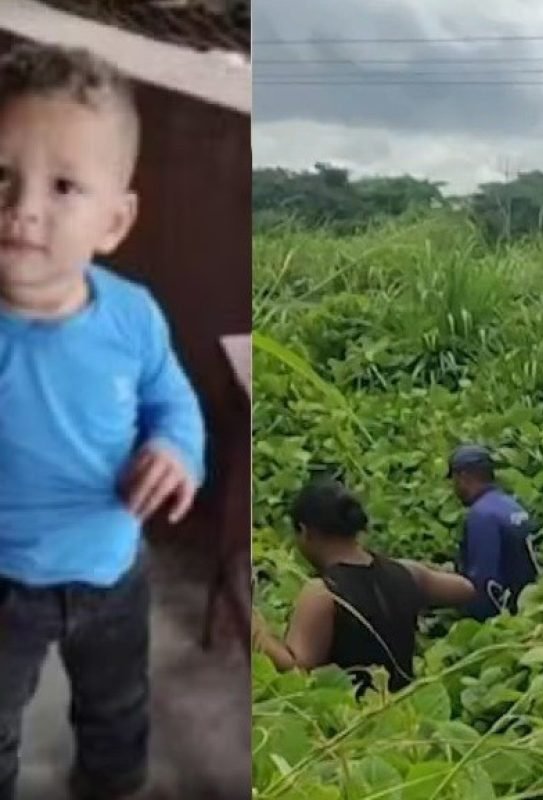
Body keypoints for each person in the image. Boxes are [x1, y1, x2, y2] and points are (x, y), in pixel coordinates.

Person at [0, 44, 205, 800]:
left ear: (113, 221)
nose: (23, 206)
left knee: (118, 715)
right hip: (6, 581)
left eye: (62, 186)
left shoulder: (132, 315)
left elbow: (171, 399)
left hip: (114, 570)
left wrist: (174, 448)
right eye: (2, 177)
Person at [250, 476, 475, 697]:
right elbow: (465, 589)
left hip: (351, 721)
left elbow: (298, 672)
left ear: (305, 531)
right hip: (405, 713)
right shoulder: (405, 573)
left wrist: (255, 628)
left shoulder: (324, 594)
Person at [447, 444, 540, 620]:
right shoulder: (512, 505)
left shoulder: (482, 515)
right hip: (531, 606)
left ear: (463, 476)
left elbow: (484, 582)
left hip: (509, 617)